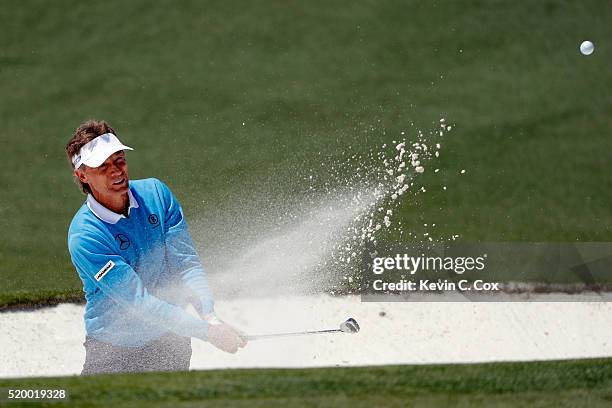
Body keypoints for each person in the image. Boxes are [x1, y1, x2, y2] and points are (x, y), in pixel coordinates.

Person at [66, 120, 246, 375]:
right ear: (82, 175)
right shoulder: (86, 235)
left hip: (170, 340)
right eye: (103, 166)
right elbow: (138, 303)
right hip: (113, 350)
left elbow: (186, 264)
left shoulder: (156, 194)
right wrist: (208, 333)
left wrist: (211, 318)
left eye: (119, 160)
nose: (116, 171)